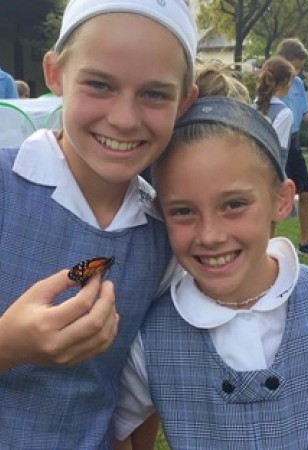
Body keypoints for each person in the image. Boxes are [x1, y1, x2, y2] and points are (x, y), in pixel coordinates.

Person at [0, 0, 198, 447]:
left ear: (184, 102)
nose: (124, 119)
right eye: (99, 84)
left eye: (154, 94)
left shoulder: (166, 238)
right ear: (56, 74)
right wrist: (9, 345)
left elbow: (140, 396)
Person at [114, 96, 308, 449]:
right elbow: (117, 427)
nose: (210, 235)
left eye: (234, 205)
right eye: (183, 211)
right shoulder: (149, 339)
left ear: (281, 200)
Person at [276, 38, 308, 257]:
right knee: (274, 194)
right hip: (277, 143)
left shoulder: (298, 85)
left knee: (306, 190)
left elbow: (302, 115)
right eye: (295, 66)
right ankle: (268, 245)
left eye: (300, 67)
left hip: (294, 143)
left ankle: (305, 243)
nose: (298, 71)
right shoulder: (274, 83)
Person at [255, 56, 295, 171]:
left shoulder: (250, 108)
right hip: (271, 175)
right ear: (287, 82)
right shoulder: (284, 113)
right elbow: (275, 149)